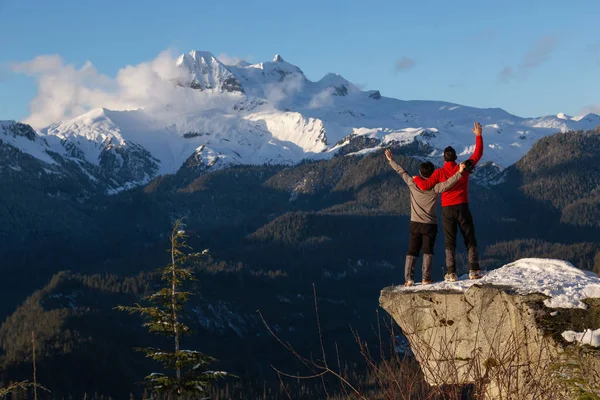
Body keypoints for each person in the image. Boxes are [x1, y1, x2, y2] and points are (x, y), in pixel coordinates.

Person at [413, 122, 484, 282]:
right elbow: (477, 154)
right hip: (463, 206)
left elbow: (424, 186)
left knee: (450, 240)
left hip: (447, 209)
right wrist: (478, 135)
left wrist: (416, 178)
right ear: (456, 157)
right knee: (469, 236)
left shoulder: (439, 173)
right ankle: (474, 270)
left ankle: (451, 273)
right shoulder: (464, 167)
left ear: (444, 158)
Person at [385, 149, 466, 286]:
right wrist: (459, 173)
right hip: (430, 224)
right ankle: (426, 278)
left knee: (412, 251)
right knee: (428, 251)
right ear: (432, 174)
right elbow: (448, 183)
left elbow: (402, 172)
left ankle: (409, 279)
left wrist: (391, 160)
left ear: (420, 173)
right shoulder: (435, 188)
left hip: (415, 223)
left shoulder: (413, 183)